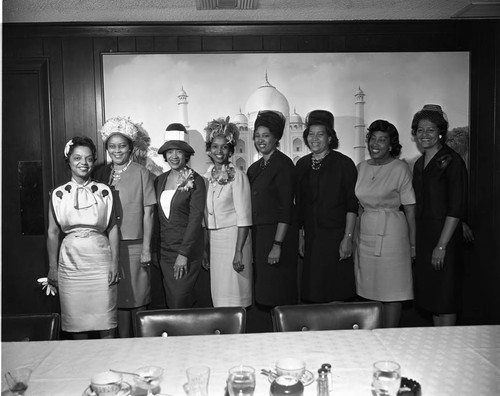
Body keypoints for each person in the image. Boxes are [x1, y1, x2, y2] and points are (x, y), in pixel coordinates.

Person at [47, 136, 119, 339]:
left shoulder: (105, 192)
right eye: (77, 158)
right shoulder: (58, 194)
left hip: (100, 261)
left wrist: (115, 262)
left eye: (88, 158)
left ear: (94, 160)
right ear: (68, 160)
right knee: (77, 325)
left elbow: (113, 228)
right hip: (71, 263)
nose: (83, 163)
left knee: (106, 324)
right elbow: (53, 232)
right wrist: (53, 267)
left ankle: (109, 367)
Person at [93, 116, 156, 338]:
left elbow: (149, 213)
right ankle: (121, 346)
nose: (117, 151)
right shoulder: (101, 173)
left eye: (122, 146)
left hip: (135, 246)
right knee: (116, 299)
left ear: (130, 147)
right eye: (112, 146)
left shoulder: (142, 172)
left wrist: (147, 248)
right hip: (108, 246)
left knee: (138, 299)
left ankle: (142, 346)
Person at [354, 119, 416, 327]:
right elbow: (359, 208)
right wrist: (354, 238)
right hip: (367, 234)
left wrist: (413, 244)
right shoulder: (360, 167)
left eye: (382, 140)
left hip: (393, 235)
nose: (376, 144)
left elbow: (410, 209)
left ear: (391, 145)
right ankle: (374, 343)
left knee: (392, 291)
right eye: (373, 139)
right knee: (370, 291)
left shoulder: (400, 168)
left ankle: (391, 338)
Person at [411, 104, 468, 326]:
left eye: (431, 130)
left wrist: (442, 246)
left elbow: (456, 207)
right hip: (425, 238)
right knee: (432, 297)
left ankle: (448, 349)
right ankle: (437, 345)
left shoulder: (452, 161)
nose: (425, 135)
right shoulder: (418, 165)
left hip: (445, 239)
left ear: (441, 132)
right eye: (420, 130)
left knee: (446, 297)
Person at [296, 110, 358, 303]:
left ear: (330, 137)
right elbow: (300, 205)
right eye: (310, 134)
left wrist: (347, 239)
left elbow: (351, 205)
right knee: (314, 294)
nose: (314, 138)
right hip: (312, 239)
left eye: (320, 134)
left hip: (336, 238)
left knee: (336, 293)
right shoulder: (302, 165)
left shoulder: (344, 164)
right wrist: (301, 236)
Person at [247, 110, 298, 307]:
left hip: (278, 237)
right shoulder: (255, 168)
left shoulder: (284, 165)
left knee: (279, 293)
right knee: (265, 293)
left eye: (266, 135)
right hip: (260, 236)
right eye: (257, 136)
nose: (261, 140)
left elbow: (286, 208)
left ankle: (283, 336)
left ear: (276, 137)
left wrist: (277, 244)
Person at [203, 116, 252, 307]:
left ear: (231, 149)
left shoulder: (238, 177)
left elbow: (244, 217)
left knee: (235, 297)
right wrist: (205, 249)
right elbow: (205, 217)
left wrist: (238, 251)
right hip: (215, 243)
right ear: (209, 149)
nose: (219, 151)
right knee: (220, 298)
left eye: (224, 147)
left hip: (234, 240)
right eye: (215, 146)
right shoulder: (205, 178)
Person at [154, 140, 207, 308]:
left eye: (179, 152)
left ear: (186, 156)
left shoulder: (196, 180)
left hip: (186, 252)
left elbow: (195, 219)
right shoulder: (160, 180)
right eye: (170, 152)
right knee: (171, 301)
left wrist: (183, 254)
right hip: (165, 252)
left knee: (179, 300)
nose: (174, 156)